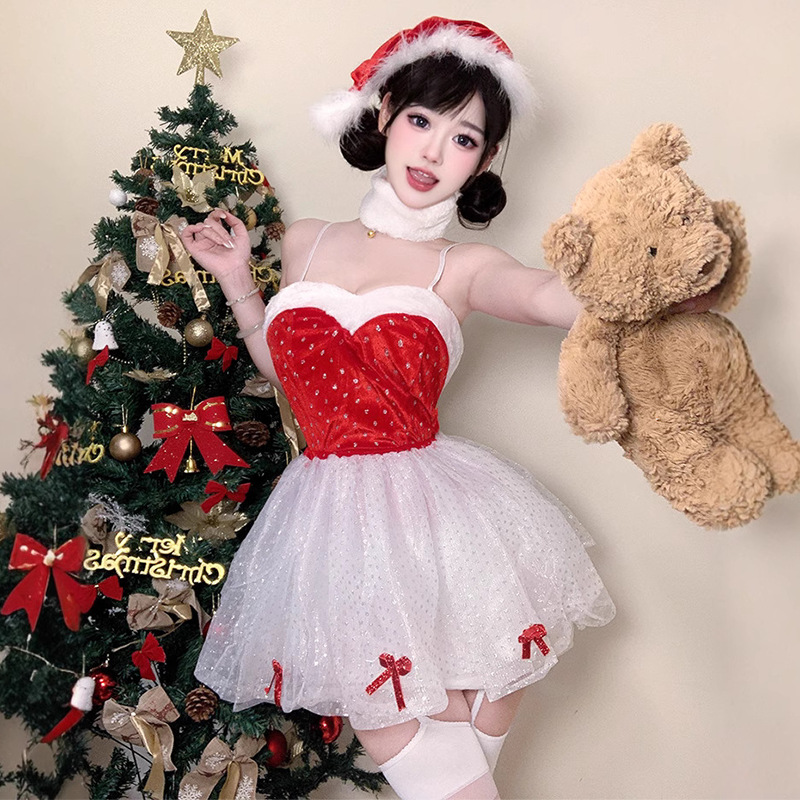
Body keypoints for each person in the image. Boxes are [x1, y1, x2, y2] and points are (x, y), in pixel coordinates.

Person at [185, 18, 617, 800]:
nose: (432, 151)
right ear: (384, 112)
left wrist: (644, 276)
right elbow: (290, 374)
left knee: (459, 713)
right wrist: (239, 283)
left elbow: (549, 298)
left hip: (435, 516)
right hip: (327, 523)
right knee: (393, 715)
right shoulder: (306, 241)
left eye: (463, 138)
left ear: (483, 158)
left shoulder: (465, 265)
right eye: (421, 120)